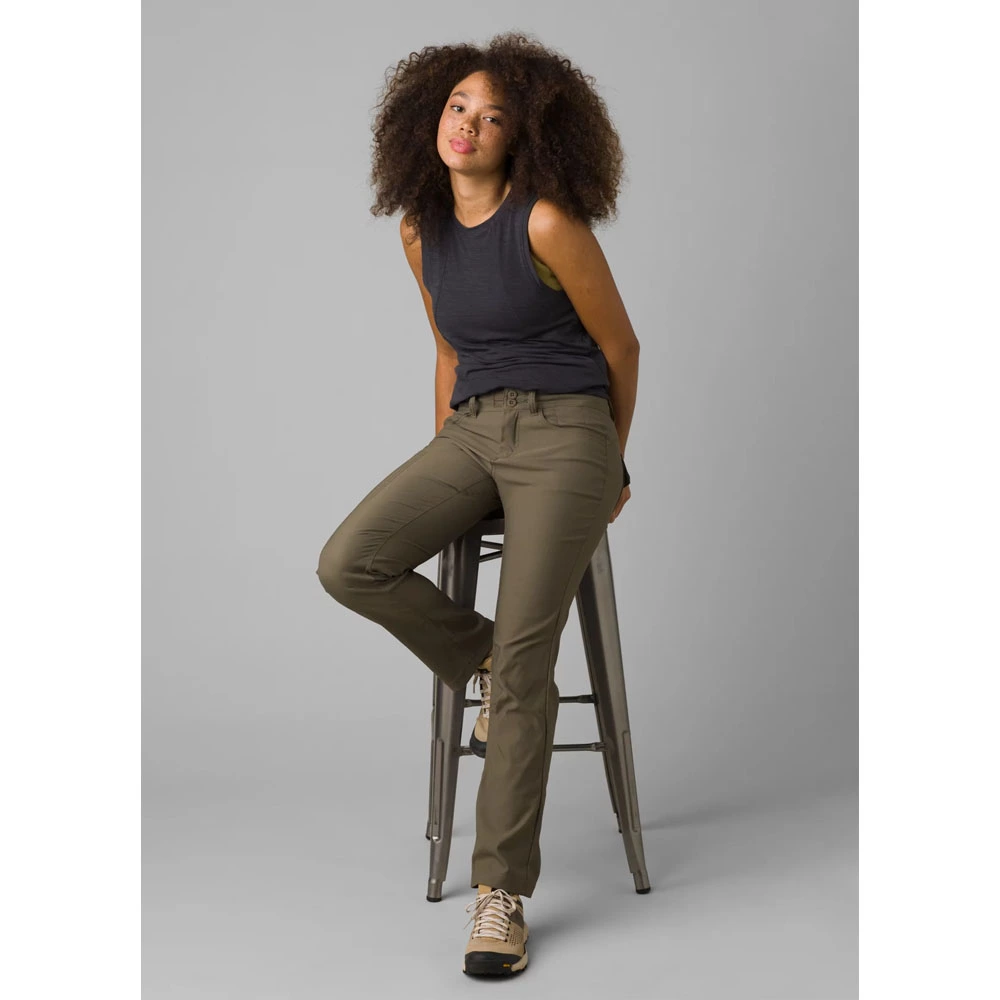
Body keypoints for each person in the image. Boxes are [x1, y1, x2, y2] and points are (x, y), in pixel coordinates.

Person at [315, 31, 640, 977]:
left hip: (568, 432)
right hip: (474, 430)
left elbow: (620, 349)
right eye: (459, 106)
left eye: (493, 117)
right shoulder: (419, 230)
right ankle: (482, 661)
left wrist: (611, 465)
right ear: (430, 114)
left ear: (521, 137)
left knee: (534, 658)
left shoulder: (545, 223)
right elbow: (450, 353)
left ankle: (501, 894)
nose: (469, 125)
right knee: (350, 563)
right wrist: (445, 458)